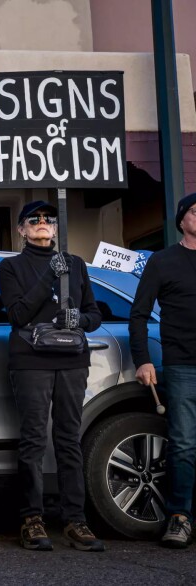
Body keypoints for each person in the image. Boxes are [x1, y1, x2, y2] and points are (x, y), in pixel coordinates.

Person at [0, 201, 105, 552]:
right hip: (30, 360)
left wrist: (78, 320)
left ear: (56, 229)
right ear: (22, 230)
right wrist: (49, 277)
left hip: (72, 359)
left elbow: (95, 314)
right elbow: (17, 315)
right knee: (32, 440)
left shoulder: (76, 265)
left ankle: (76, 520)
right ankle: (32, 519)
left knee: (69, 439)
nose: (43, 222)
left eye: (49, 219)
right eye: (34, 219)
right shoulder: (11, 266)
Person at [130, 192, 196, 549]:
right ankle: (180, 516)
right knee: (184, 444)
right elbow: (138, 314)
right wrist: (143, 359)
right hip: (182, 364)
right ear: (182, 219)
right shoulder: (162, 261)